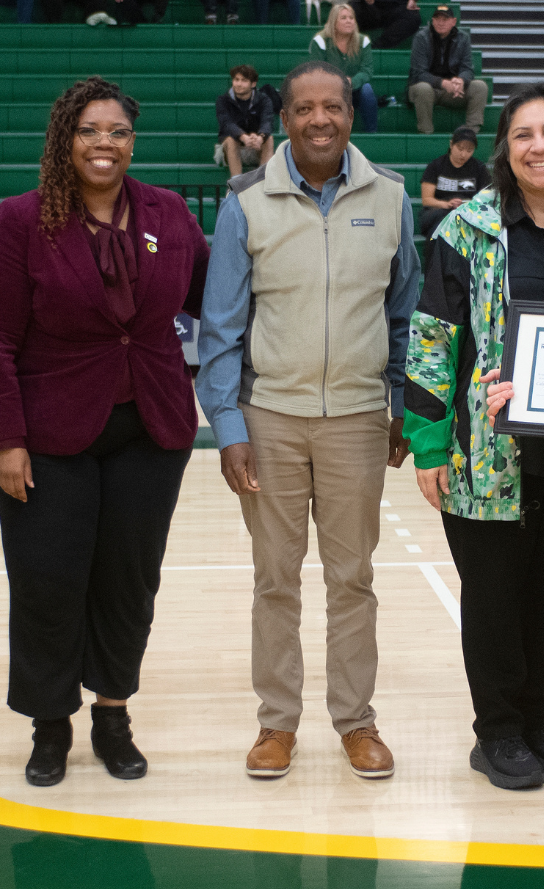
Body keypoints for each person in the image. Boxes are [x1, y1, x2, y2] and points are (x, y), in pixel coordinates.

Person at [0, 77, 211, 788]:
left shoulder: (168, 212)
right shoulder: (20, 221)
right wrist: (4, 439)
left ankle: (113, 713)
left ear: (132, 143)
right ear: (64, 140)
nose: (105, 144)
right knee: (48, 582)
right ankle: (50, 723)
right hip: (48, 433)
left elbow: (215, 300)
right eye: (89, 131)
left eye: (118, 133)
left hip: (153, 426)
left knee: (128, 580)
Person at [196, 60, 420, 782]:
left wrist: (400, 407)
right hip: (271, 422)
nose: (320, 119)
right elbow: (221, 329)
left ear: (350, 115)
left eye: (333, 107)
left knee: (353, 576)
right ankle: (276, 724)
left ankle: (357, 720)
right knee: (276, 579)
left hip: (357, 418)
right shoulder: (246, 203)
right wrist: (228, 428)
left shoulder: (389, 199)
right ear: (284, 118)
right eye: (304, 109)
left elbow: (404, 317)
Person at [405, 83, 544, 791]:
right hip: (485, 454)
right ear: (505, 149)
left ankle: (541, 722)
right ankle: (497, 732)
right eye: (524, 135)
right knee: (493, 599)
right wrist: (428, 444)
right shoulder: (466, 228)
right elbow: (431, 341)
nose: (540, 146)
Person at [407, 5, 490, 134]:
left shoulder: (463, 38)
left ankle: (470, 132)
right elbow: (419, 74)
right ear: (432, 21)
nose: (440, 23)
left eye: (445, 19)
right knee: (423, 88)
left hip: (453, 91)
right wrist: (443, 83)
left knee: (480, 86)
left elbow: (468, 69)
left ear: (453, 22)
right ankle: (426, 132)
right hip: (427, 89)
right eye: (437, 19)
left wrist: (461, 80)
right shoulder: (421, 38)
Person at [310, 4, 380, 134]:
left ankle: (371, 133)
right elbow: (317, 72)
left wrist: (352, 82)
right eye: (343, 18)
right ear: (334, 22)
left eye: (351, 18)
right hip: (329, 91)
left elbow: (367, 70)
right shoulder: (320, 42)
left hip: (355, 90)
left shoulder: (363, 41)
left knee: (367, 90)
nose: (349, 21)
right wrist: (339, 82)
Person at [418, 126, 490, 236]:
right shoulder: (435, 166)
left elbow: (486, 198)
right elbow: (427, 200)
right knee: (445, 223)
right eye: (460, 149)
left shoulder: (479, 168)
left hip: (468, 212)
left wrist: (467, 205)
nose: (463, 154)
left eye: (469, 150)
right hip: (440, 211)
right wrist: (446, 204)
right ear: (451, 144)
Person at [217, 65, 277, 178]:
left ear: (253, 84)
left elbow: (267, 121)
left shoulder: (264, 100)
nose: (238, 84)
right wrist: (242, 136)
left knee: (269, 138)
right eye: (236, 80)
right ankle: (236, 184)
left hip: (255, 147)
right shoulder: (223, 100)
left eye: (244, 80)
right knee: (231, 139)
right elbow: (226, 123)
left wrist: (260, 137)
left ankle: (264, 180)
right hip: (228, 150)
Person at [353, 0, 421, 48]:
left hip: (397, 7)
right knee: (350, 11)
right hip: (368, 7)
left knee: (413, 18)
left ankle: (375, 47)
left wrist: (413, 0)